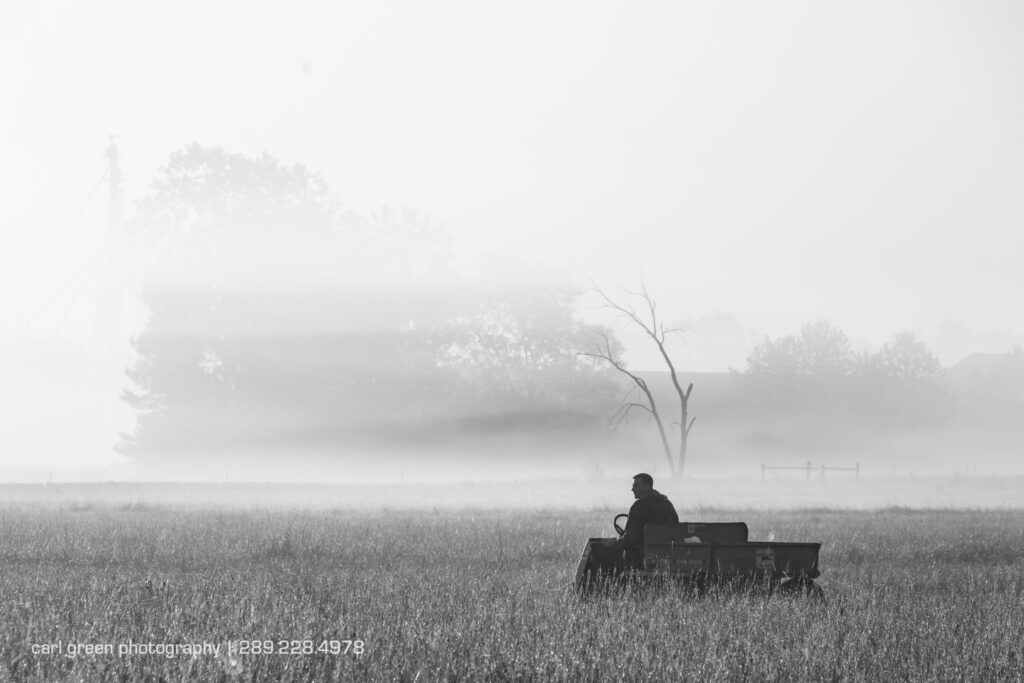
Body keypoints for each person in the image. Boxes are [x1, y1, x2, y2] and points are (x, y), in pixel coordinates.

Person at [591, 473, 679, 572]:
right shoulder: (667, 504)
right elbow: (675, 528)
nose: (632, 489)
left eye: (636, 486)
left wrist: (613, 543)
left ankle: (603, 582)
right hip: (665, 553)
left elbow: (630, 539)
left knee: (595, 547)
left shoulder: (639, 506)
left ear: (648, 486)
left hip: (638, 554)